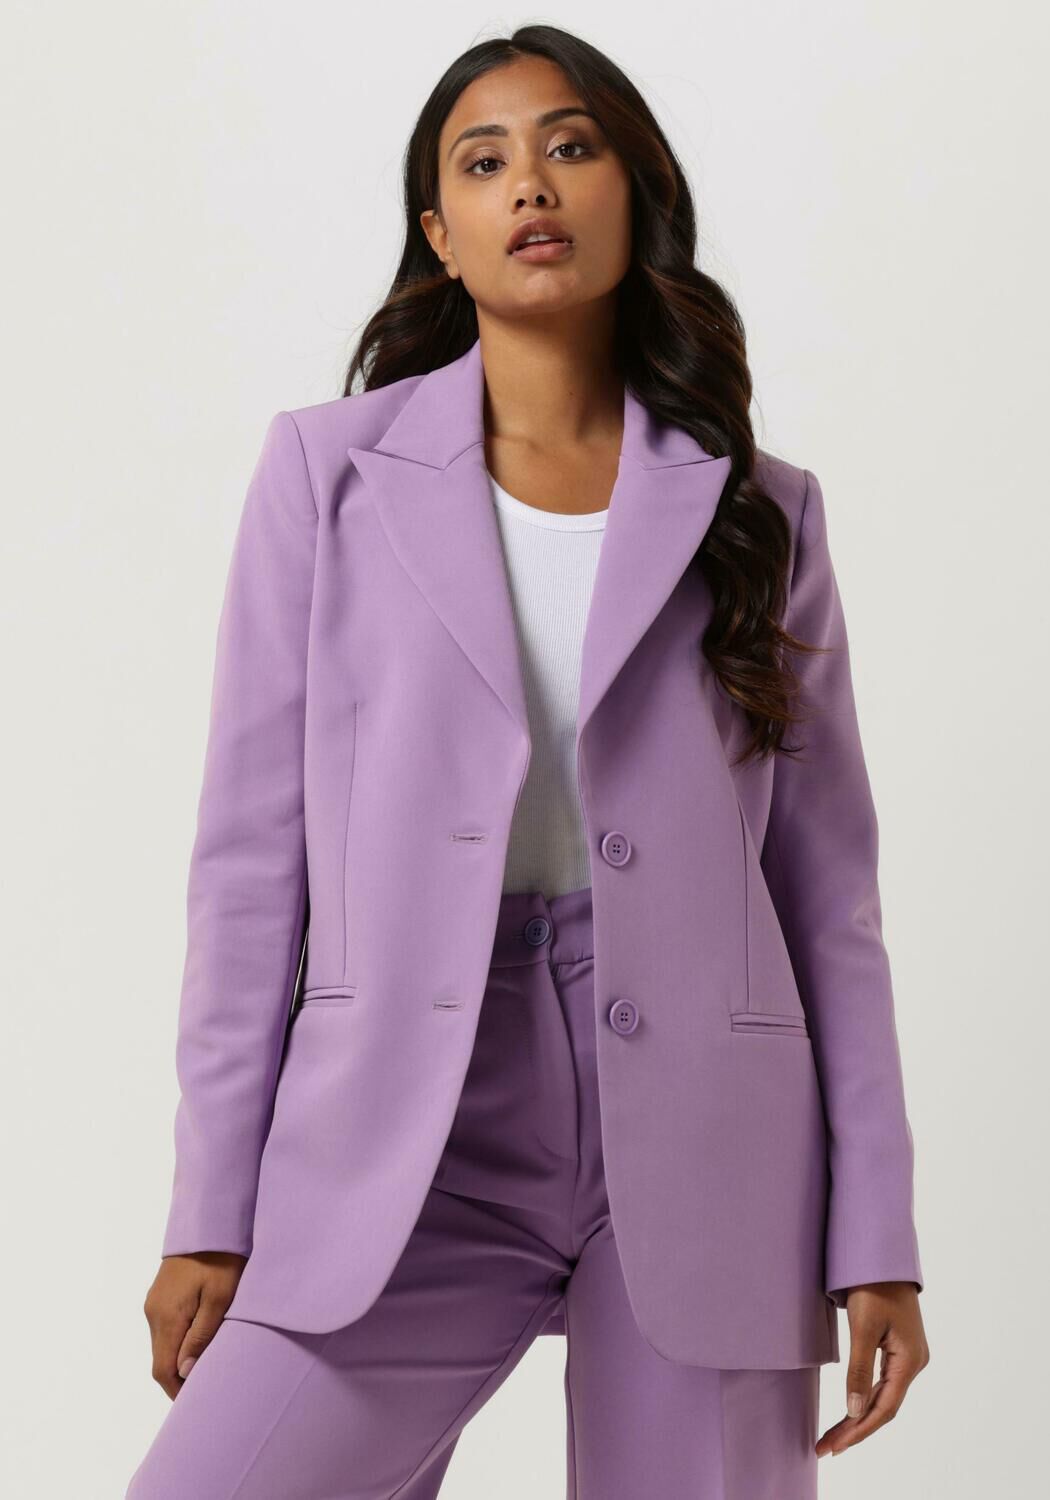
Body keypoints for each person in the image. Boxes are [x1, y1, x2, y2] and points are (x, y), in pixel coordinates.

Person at [126, 23, 929, 1499]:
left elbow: (830, 900)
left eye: (570, 146)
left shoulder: (761, 511)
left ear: (636, 191)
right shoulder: (326, 477)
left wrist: (875, 1229)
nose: (531, 185)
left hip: (707, 1135)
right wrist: (211, 1207)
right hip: (405, 1126)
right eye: (483, 162)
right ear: (440, 234)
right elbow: (248, 870)